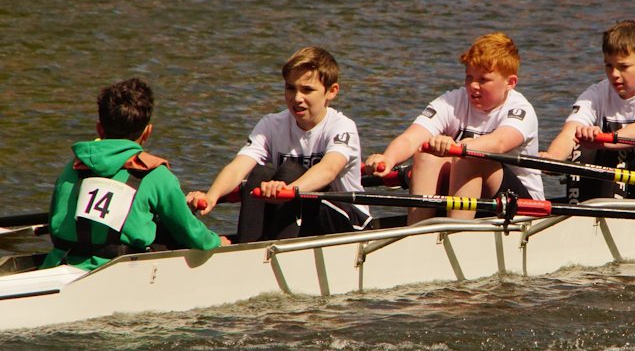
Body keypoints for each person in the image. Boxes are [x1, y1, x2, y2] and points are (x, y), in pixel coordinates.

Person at [42, 78, 229, 272]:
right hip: (117, 272)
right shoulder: (157, 175)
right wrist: (216, 242)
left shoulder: (72, 166)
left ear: (99, 128)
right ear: (147, 132)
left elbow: (55, 225)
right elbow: (191, 233)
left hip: (59, 262)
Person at [187, 47, 371, 242]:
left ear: (331, 92)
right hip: (299, 216)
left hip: (347, 221)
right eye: (291, 88)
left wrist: (287, 191)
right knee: (260, 173)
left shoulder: (342, 127)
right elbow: (238, 167)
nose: (297, 98)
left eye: (307, 90)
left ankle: (273, 253)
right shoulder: (271, 124)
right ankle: (248, 247)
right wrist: (211, 197)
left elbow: (329, 170)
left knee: (290, 170)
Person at [365, 32, 544, 223]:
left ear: (510, 83)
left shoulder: (520, 110)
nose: (473, 86)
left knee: (470, 156)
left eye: (483, 80)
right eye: (469, 77)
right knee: (426, 153)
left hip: (522, 206)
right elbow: (411, 138)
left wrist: (456, 148)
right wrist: (388, 158)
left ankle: (456, 232)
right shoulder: (453, 101)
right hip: (472, 197)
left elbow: (499, 143)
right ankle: (416, 232)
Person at [543, 20, 635, 201]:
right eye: (609, 66)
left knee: (621, 147)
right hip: (624, 182)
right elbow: (570, 133)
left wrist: (599, 140)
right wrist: (552, 159)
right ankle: (582, 212)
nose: (614, 74)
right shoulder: (595, 94)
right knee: (582, 146)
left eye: (623, 67)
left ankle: (607, 213)